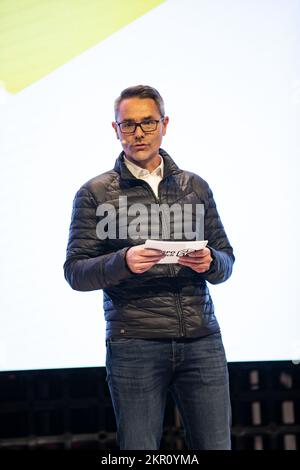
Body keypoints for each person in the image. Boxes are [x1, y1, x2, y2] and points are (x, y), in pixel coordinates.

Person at [64, 85, 235, 450]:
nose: (138, 133)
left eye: (147, 122)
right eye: (128, 125)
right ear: (115, 129)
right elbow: (76, 272)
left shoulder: (195, 186)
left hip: (202, 340)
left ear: (165, 124)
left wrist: (210, 262)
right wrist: (121, 262)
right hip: (135, 342)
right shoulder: (95, 193)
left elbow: (226, 260)